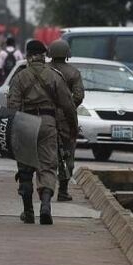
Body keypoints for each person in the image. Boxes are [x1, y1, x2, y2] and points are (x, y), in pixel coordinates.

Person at [7, 39, 77, 225]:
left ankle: (28, 212)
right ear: (44, 56)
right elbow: (68, 106)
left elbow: (12, 107)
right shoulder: (55, 76)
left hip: (25, 122)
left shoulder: (19, 77)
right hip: (48, 122)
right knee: (47, 165)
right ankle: (45, 205)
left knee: (25, 168)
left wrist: (12, 131)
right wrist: (72, 129)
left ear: (28, 56)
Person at [48, 39, 85, 202]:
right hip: (65, 120)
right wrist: (65, 107)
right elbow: (78, 96)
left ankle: (45, 191)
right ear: (67, 54)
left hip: (42, 117)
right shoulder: (73, 73)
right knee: (67, 156)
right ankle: (63, 191)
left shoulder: (43, 71)